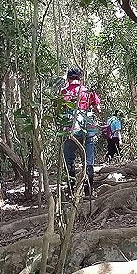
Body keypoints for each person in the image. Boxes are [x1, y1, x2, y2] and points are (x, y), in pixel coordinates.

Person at [59, 68, 101, 196]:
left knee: (69, 160)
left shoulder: (64, 92)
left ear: (68, 79)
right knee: (88, 161)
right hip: (87, 129)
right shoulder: (88, 92)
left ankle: (71, 191)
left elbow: (59, 110)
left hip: (70, 130)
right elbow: (98, 109)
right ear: (80, 78)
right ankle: (88, 192)